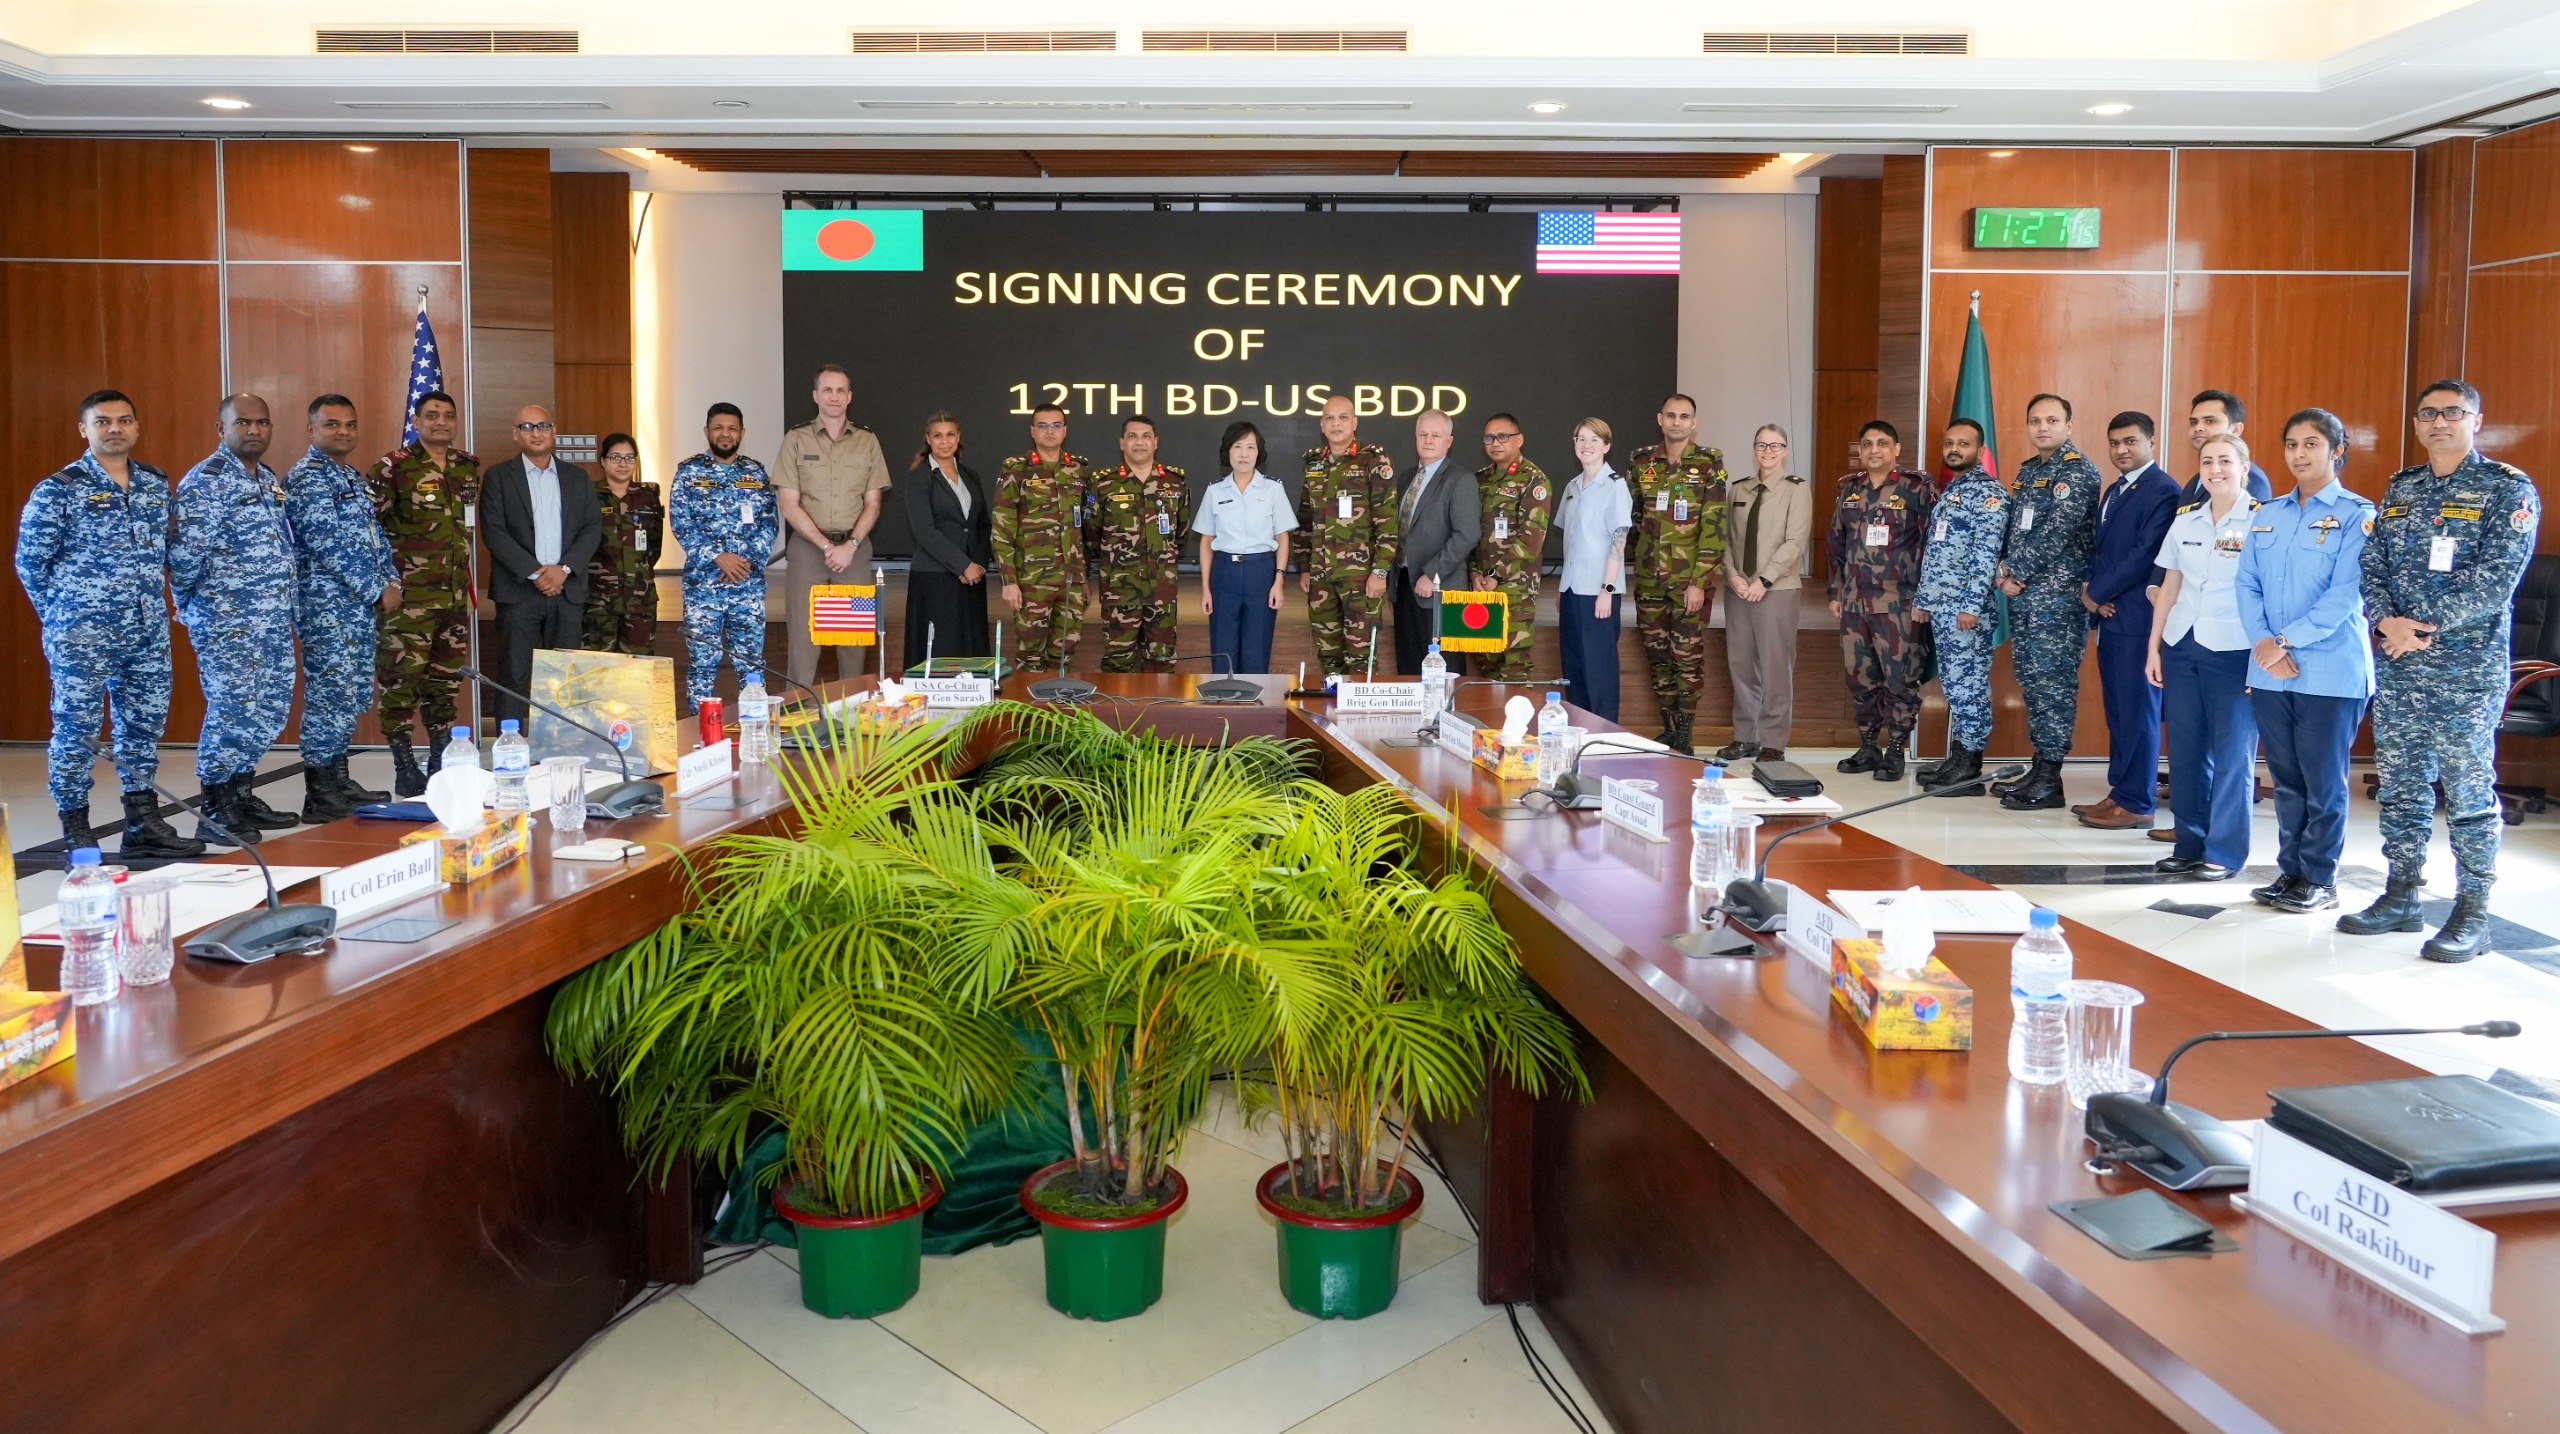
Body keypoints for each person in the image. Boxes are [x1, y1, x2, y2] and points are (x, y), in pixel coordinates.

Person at [2343, 383, 2541, 961]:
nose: (2438, 422)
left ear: (2476, 420)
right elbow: (2371, 564)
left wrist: (2415, 627)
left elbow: (2495, 583)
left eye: (2452, 413)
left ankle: (2473, 910)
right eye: (2428, 413)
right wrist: (2385, 620)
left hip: (2465, 672)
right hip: (2402, 668)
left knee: (2467, 792)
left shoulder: (2507, 489)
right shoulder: (2401, 489)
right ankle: (2401, 893)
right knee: (2401, 787)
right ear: (2416, 421)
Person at [13, 389, 201, 857]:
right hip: (82, 633)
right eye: (102, 421)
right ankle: (75, 824)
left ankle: (142, 821)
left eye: (123, 420)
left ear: (136, 428)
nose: (114, 428)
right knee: (77, 728)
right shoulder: (59, 488)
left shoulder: (156, 483)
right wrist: (63, 616)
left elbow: (164, 553)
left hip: (146, 629)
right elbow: (30, 563)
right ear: (84, 429)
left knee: (143, 725)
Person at [2235, 423, 2375, 915]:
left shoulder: (2357, 515)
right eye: (2291, 444)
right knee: (2286, 777)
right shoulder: (2267, 514)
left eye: (2311, 444)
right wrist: (2264, 643)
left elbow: (2344, 595)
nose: (2299, 454)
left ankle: (2321, 876)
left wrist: (2284, 641)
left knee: (2323, 780)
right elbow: (2246, 583)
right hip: (2271, 666)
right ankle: (2290, 870)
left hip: (2331, 669)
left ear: (2337, 451)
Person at [171, 394, 300, 842]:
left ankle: (242, 792)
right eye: (243, 422)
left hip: (271, 618)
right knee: (231, 709)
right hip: (229, 621)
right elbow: (185, 557)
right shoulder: (207, 481)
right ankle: (215, 805)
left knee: (268, 708)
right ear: (221, 429)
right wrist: (194, 606)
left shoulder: (265, 477)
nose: (254, 430)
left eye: (262, 422)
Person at [2145, 437, 2259, 880]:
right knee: (2188, 751)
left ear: (2244, 468)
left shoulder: (2262, 523)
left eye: (2225, 461)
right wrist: (2154, 645)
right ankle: (2190, 843)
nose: (2215, 469)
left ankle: (2225, 852)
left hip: (2235, 649)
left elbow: (2269, 594)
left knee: (2233, 755)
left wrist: (2263, 656)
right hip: (2183, 644)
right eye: (2207, 462)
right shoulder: (2186, 521)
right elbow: (2170, 587)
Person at [281, 394, 397, 823]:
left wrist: (392, 580)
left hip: (357, 606)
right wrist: (375, 588)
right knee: (330, 696)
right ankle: (319, 791)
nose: (343, 431)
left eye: (349, 424)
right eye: (332, 424)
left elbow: (374, 538)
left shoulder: (349, 476)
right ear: (311, 429)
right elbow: (327, 544)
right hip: (327, 606)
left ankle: (339, 776)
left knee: (349, 695)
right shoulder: (308, 478)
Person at [369, 388, 481, 797]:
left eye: (448, 415)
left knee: (444, 684)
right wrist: (387, 582)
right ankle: (403, 764)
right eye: (431, 415)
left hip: (452, 598)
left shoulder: (467, 468)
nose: (440, 422)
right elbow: (369, 531)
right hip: (409, 600)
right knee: (401, 683)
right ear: (416, 421)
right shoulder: (393, 469)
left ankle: (439, 761)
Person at [1991, 394, 2100, 810]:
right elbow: (2014, 529)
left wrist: (2013, 572)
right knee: (2034, 683)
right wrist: (2004, 571)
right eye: (2035, 420)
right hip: (2025, 596)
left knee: (2053, 685)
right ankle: (2040, 764)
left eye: (2052, 420)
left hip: (2056, 599)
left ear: (2068, 426)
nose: (2042, 427)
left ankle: (2051, 775)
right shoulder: (2029, 471)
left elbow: (2056, 534)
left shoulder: (2078, 472)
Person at [2074, 412, 2181, 831]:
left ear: (2151, 442)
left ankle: (2137, 800)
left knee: (2139, 712)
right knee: (2119, 712)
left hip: (2138, 618)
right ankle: (2119, 792)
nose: (2121, 450)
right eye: (2114, 442)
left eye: (2131, 442)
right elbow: (2104, 552)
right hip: (2112, 617)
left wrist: (2095, 593)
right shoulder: (2115, 489)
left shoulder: (2163, 491)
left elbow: (2145, 554)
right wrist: (2093, 590)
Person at [1826, 420, 1935, 780]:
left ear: (1896, 449)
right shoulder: (1850, 490)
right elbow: (1835, 543)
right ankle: (1869, 745)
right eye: (1867, 444)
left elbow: (1932, 545)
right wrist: (1836, 591)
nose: (1874, 450)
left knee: (1900, 679)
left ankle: (1895, 750)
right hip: (1855, 602)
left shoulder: (1916, 488)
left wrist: (1926, 596)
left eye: (1882, 443)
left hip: (1898, 602)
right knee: (1860, 677)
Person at [481, 403, 602, 723]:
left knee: (564, 677)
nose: (536, 433)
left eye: (543, 425)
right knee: (514, 675)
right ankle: (513, 751)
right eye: (527, 427)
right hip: (519, 591)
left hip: (567, 590)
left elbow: (592, 528)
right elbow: (494, 532)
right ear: (515, 434)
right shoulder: (498, 477)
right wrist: (537, 572)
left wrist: (562, 570)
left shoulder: (578, 478)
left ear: (554, 431)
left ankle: (560, 749)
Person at [775, 364, 892, 687]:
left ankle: (853, 712)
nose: (834, 397)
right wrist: (827, 547)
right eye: (827, 390)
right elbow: (788, 503)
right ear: (815, 396)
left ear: (850, 396)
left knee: (853, 640)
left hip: (854, 552)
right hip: (807, 549)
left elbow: (873, 504)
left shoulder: (867, 441)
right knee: (802, 637)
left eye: (841, 390)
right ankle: (796, 717)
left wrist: (849, 545)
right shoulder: (796, 439)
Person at [1624, 393, 1727, 752]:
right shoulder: (1641, 462)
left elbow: (1714, 527)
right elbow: (1634, 517)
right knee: (1658, 655)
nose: (1677, 422)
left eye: (1685, 416)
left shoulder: (1709, 464)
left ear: (1694, 422)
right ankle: (1668, 726)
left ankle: (1686, 731)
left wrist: (1700, 581)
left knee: (1687, 657)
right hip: (1650, 578)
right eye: (1671, 415)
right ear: (1660, 419)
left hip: (1688, 581)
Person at [1912, 419, 2006, 794]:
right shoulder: (1953, 492)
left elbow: (1985, 557)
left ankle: (1970, 766)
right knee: (1954, 684)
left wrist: (1969, 606)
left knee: (1968, 685)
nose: (1954, 449)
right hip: (1943, 608)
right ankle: (1958, 757)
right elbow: (1936, 553)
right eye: (1949, 442)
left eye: (1963, 444)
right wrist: (1924, 600)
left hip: (1966, 612)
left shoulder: (1989, 495)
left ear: (1980, 451)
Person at [669, 403, 780, 708]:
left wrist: (745, 563)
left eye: (732, 428)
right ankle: (700, 733)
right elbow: (681, 522)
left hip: (748, 586)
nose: (725, 434)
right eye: (718, 427)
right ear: (707, 432)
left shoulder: (756, 472)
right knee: (703, 665)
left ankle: (755, 727)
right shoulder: (689, 472)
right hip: (704, 587)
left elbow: (770, 523)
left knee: (751, 664)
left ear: (742, 433)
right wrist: (719, 557)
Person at [1720, 425, 1812, 761]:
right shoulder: (1739, 489)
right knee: (1741, 665)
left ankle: (1773, 741)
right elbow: (1726, 539)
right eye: (1761, 444)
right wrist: (1732, 576)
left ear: (1785, 450)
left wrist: (1765, 580)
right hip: (1740, 590)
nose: (1768, 451)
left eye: (1775, 445)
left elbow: (1794, 542)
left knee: (1775, 667)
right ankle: (1746, 736)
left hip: (1776, 591)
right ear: (1754, 449)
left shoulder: (1796, 490)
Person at [1297, 393, 1399, 681]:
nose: (1336, 423)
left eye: (1343, 417)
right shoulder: (1314, 463)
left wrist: (1380, 572)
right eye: (1329, 417)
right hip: (1320, 577)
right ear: (1322, 424)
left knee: (1361, 655)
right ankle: (1331, 717)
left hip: (1361, 578)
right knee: (1328, 655)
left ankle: (1361, 719)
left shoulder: (1374, 460)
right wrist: (1304, 567)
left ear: (1354, 422)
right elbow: (1306, 519)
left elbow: (1388, 524)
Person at [1193, 420, 1295, 676]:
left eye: (1250, 447)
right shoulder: (1215, 491)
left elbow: (1282, 537)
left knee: (1256, 645)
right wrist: (1206, 589)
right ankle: (1224, 702)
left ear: (1258, 452)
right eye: (1237, 447)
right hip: (1224, 571)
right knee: (1223, 644)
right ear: (1228, 451)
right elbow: (1206, 541)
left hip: (1261, 572)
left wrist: (1279, 580)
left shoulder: (1273, 489)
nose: (1244, 454)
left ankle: (1255, 707)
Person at [993, 406, 1090, 673]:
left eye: (1056, 425)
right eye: (1043, 425)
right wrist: (1009, 581)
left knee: (1064, 655)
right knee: (1030, 657)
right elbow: (1002, 528)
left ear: (1065, 430)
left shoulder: (1079, 470)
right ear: (1032, 431)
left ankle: (1061, 712)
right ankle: (1031, 714)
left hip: (1072, 580)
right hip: (1032, 580)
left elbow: (1086, 527)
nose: (1050, 431)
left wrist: (1084, 576)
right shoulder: (1016, 470)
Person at [1087, 415, 1185, 673]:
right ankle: (1117, 714)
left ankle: (1161, 714)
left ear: (1156, 442)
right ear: (1121, 443)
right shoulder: (1103, 483)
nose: (1139, 442)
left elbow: (1181, 532)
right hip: (1120, 590)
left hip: (1162, 589)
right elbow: (1092, 533)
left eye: (1145, 436)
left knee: (1161, 663)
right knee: (1119, 663)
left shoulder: (1175, 483)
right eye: (1132, 436)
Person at [1389, 409, 1480, 676]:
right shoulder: (1406, 478)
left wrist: (1432, 574)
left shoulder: (1460, 479)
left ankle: (1445, 719)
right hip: (1405, 585)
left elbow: (1467, 535)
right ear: (1416, 437)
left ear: (1449, 441)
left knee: (1444, 669)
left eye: (1436, 435)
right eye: (1423, 434)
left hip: (1441, 589)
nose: (1428, 440)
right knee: (1408, 666)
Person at [1555, 420, 1635, 721]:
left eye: (1594, 439)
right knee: (1573, 667)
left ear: (1606, 446)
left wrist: (1607, 590)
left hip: (1599, 592)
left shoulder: (1615, 486)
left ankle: (1604, 737)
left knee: (1598, 669)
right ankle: (1579, 731)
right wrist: (1564, 588)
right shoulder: (1573, 486)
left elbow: (1619, 541)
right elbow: (1572, 541)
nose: (1586, 445)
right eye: (1580, 439)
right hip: (1572, 590)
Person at [903, 411, 994, 666]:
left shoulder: (970, 475)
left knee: (972, 650)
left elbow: (983, 525)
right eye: (938, 436)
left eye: (950, 434)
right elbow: (924, 531)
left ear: (959, 437)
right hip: (935, 578)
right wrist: (962, 565)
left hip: (973, 578)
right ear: (928, 439)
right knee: (942, 651)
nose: (945, 441)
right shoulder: (919, 477)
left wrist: (977, 563)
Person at [1472, 414, 1552, 684]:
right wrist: (1474, 574)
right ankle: (1493, 726)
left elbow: (1531, 541)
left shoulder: (1534, 481)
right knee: (1487, 662)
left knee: (1514, 664)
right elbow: (1469, 532)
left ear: (1519, 439)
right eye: (1489, 437)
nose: (1495, 443)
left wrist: (1495, 575)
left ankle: (1520, 726)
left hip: (1515, 588)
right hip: (1480, 586)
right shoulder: (1480, 479)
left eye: (1503, 436)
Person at [583, 433, 663, 656]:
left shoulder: (648, 497)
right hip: (598, 598)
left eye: (629, 458)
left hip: (640, 598)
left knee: (638, 668)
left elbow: (655, 545)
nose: (622, 464)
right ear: (603, 461)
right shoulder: (588, 495)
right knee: (597, 666)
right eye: (615, 457)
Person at [2180, 390, 2275, 504]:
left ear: (2235, 430)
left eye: (2210, 421)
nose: (2198, 428)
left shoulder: (2250, 478)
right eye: (2194, 422)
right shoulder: (2196, 480)